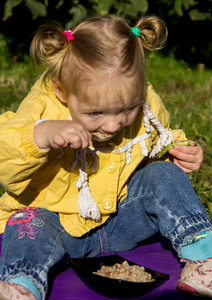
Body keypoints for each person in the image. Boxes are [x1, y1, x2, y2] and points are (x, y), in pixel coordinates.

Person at [0, 14, 211, 300]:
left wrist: (183, 149)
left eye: (127, 109)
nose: (113, 125)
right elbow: (6, 158)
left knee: (163, 173)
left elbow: (157, 142)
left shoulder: (145, 104)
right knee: (26, 221)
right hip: (57, 224)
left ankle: (203, 257)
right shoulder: (43, 106)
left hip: (121, 222)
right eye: (96, 113)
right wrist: (41, 134)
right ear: (62, 90)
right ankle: (22, 283)